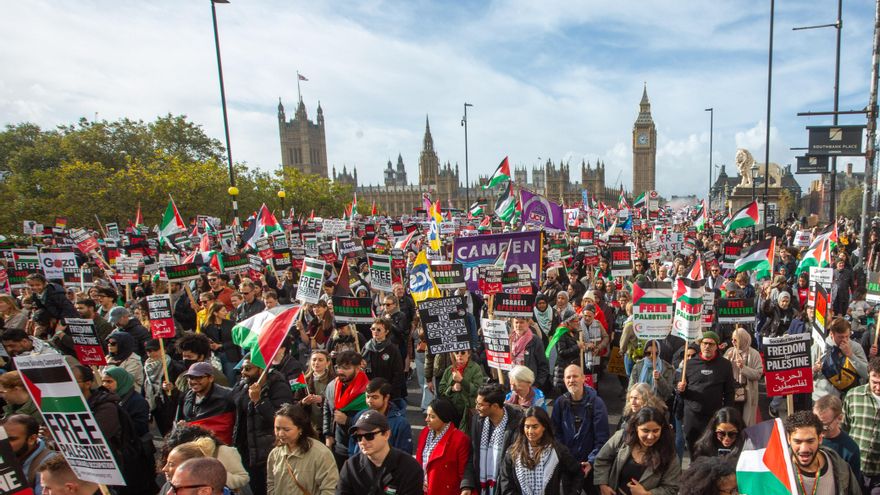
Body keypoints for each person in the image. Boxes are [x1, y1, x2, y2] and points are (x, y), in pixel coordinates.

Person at [233, 354, 292, 495]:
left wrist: (259, 401)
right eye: (242, 368)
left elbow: (280, 420)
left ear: (261, 370)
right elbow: (232, 401)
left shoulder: (279, 387)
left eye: (248, 368)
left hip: (267, 452)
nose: (243, 372)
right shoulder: (243, 384)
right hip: (246, 450)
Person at [593, 407, 681, 495]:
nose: (650, 436)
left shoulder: (670, 455)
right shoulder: (621, 438)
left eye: (656, 431)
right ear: (636, 427)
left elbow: (671, 488)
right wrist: (603, 485)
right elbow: (602, 460)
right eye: (645, 431)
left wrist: (647, 494)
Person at [550, 364, 610, 494]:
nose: (572, 380)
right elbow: (555, 435)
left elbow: (602, 438)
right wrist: (566, 459)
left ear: (583, 378)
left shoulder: (597, 403)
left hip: (591, 468)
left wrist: (591, 461)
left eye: (575, 376)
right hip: (568, 466)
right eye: (568, 377)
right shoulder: (560, 403)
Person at [496, 407, 582, 495]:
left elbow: (577, 472)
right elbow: (506, 483)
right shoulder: (513, 452)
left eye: (535, 426)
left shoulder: (557, 450)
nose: (530, 431)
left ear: (544, 427)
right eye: (527, 426)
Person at [337, 410, 424, 495]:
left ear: (386, 434)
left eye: (369, 436)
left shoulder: (409, 468)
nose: (362, 441)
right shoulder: (351, 467)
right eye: (358, 437)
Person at [676, 330, 736, 453]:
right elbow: (681, 391)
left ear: (717, 346)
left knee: (711, 450)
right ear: (700, 344)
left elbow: (729, 392)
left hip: (714, 416)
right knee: (694, 449)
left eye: (711, 344)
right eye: (704, 343)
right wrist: (680, 389)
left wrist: (727, 415)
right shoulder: (690, 364)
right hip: (692, 415)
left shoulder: (725, 365)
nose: (707, 346)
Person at [462, 383, 524, 495]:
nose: (476, 407)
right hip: (482, 488)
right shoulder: (477, 421)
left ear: (495, 406)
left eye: (481, 405)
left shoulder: (517, 425)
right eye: (476, 403)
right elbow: (473, 455)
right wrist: (467, 484)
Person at [267, 403, 339, 495]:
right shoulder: (275, 454)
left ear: (300, 429)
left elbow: (330, 488)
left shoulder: (320, 453)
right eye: (277, 428)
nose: (280, 434)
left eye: (286, 429)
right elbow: (271, 484)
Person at [784, 410, 861, 495]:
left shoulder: (841, 469)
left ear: (820, 439)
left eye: (810, 441)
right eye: (797, 442)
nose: (804, 449)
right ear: (788, 439)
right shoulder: (776, 472)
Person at [323, 350, 369, 469]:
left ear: (358, 368)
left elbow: (371, 421)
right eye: (338, 367)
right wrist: (328, 434)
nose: (341, 371)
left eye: (346, 368)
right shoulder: (332, 385)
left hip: (359, 446)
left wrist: (348, 421)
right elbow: (327, 409)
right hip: (339, 444)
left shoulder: (367, 391)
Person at [416, 398, 471, 495]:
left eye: (432, 416)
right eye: (427, 415)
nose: (427, 419)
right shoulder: (425, 432)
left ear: (444, 418)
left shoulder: (459, 439)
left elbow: (463, 472)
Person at [842, 356, 880, 494]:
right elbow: (843, 429)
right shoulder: (853, 396)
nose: (878, 387)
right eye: (874, 382)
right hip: (854, 469)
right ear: (868, 376)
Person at [348, 378, 413, 456]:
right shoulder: (360, 416)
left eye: (375, 397)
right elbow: (352, 446)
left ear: (386, 398)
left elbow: (404, 453)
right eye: (368, 397)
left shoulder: (400, 423)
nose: (369, 401)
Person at [176, 362, 236, 445]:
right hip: (194, 446)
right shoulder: (187, 396)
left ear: (211, 378)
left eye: (199, 378)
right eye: (190, 378)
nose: (193, 381)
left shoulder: (227, 396)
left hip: (219, 446)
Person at [813, 316, 869, 401]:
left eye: (847, 336)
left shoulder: (856, 347)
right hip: (823, 398)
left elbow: (866, 373)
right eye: (840, 337)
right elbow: (805, 376)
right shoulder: (819, 346)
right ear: (831, 334)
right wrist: (814, 370)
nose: (845, 340)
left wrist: (851, 355)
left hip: (848, 398)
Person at [1, 414, 57, 495]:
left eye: (11, 439)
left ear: (32, 439)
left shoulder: (50, 463)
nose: (4, 444)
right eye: (2, 438)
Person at [813, 394, 861, 483]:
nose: (818, 429)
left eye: (825, 425)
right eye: (816, 423)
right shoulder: (808, 438)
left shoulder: (850, 449)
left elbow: (853, 485)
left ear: (839, 418)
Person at [722, 327, 763, 426]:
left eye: (735, 340)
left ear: (743, 339)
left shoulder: (754, 354)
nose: (732, 342)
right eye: (732, 339)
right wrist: (727, 360)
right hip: (732, 392)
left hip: (748, 392)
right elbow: (722, 371)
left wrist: (743, 367)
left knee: (746, 421)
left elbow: (758, 374)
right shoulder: (730, 351)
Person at [439, 349, 486, 430]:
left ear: (469, 354)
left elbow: (478, 390)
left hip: (467, 411)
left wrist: (462, 381)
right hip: (451, 410)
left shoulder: (475, 368)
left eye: (463, 352)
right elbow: (441, 389)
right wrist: (452, 388)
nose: (459, 355)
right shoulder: (449, 369)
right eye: (457, 352)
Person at [361, 317, 405, 400]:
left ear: (386, 332)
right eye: (373, 329)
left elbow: (398, 373)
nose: (375, 332)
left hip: (386, 391)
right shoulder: (366, 347)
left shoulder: (392, 349)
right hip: (370, 391)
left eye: (379, 330)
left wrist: (390, 391)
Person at [292, 350, 332, 436]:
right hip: (310, 426)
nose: (316, 363)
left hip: (330, 425)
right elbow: (294, 403)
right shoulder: (302, 380)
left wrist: (322, 400)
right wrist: (303, 402)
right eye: (314, 360)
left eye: (320, 360)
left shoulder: (334, 380)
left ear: (327, 363)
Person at [101, 366, 149, 437]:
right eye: (103, 381)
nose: (105, 385)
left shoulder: (137, 401)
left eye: (109, 381)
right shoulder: (106, 398)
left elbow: (139, 429)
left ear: (121, 381)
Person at [201, 302, 240, 384]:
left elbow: (236, 340)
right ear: (215, 313)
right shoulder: (206, 326)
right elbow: (202, 340)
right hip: (214, 356)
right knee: (217, 380)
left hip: (230, 355)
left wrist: (221, 345)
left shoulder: (230, 324)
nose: (226, 312)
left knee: (231, 379)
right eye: (223, 311)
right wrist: (210, 345)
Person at [508, 316, 549, 390]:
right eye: (516, 322)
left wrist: (537, 384)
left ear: (528, 323)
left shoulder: (535, 340)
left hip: (529, 386)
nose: (518, 325)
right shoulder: (509, 340)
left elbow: (543, 365)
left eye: (522, 322)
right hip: (512, 385)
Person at [546, 310, 581, 397]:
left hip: (571, 366)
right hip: (563, 370)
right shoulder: (562, 334)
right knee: (564, 396)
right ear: (569, 322)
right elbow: (562, 352)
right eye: (576, 321)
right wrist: (577, 347)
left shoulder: (574, 332)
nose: (578, 323)